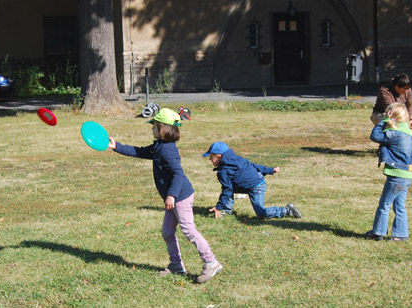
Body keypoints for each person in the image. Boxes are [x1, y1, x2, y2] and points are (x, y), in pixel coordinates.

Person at [108, 108, 222, 283]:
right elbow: (139, 151)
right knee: (168, 232)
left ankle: (211, 262)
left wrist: (171, 195)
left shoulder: (168, 151)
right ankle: (176, 265)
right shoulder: (159, 146)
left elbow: (177, 173)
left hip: (180, 197)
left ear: (162, 129)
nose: (151, 129)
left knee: (189, 230)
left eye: (153, 126)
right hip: (173, 197)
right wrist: (117, 146)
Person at [202, 142, 302, 219]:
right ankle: (227, 211)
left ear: (219, 156)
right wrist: (271, 170)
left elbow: (227, 190)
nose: (210, 159)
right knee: (230, 188)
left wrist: (218, 207)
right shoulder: (236, 158)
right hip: (255, 181)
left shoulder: (223, 171)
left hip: (256, 187)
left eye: (211, 157)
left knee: (261, 213)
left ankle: (287, 210)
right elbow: (253, 166)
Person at [365, 103, 412, 241]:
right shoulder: (411, 134)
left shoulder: (393, 134)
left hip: (396, 175)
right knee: (400, 205)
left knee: (385, 204)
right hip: (407, 175)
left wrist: (384, 121)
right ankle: (401, 234)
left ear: (391, 116)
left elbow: (375, 136)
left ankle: (378, 232)